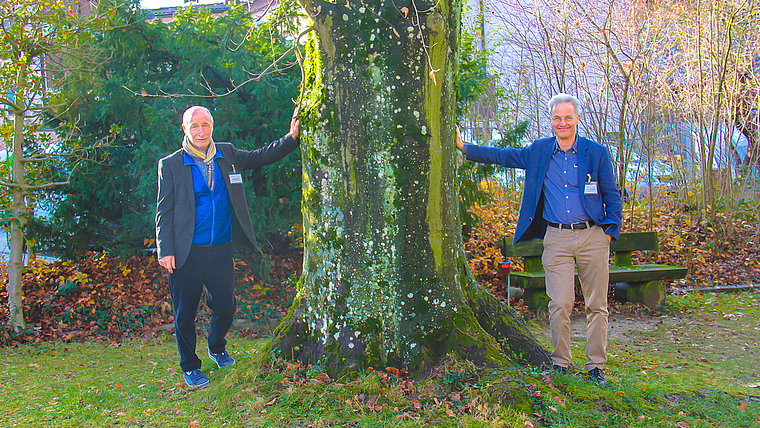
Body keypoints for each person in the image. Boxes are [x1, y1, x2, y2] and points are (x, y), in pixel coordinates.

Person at [455, 93, 622, 384]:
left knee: (597, 305)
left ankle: (596, 366)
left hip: (592, 236)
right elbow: (504, 156)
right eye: (557, 118)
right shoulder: (540, 151)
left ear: (577, 119)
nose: (563, 123)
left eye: (568, 117)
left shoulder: (596, 153)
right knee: (560, 303)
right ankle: (561, 363)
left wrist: (610, 232)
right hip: (556, 237)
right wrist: (464, 147)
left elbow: (612, 195)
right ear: (551, 121)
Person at [156, 105, 300, 388]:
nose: (200, 131)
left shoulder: (228, 154)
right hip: (187, 253)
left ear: (213, 126)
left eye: (205, 125)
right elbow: (164, 210)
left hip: (221, 248)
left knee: (225, 306)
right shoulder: (171, 164)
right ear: (184, 129)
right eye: (194, 126)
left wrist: (292, 138)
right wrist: (165, 249)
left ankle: (216, 347)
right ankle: (190, 367)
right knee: (184, 313)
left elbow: (262, 156)